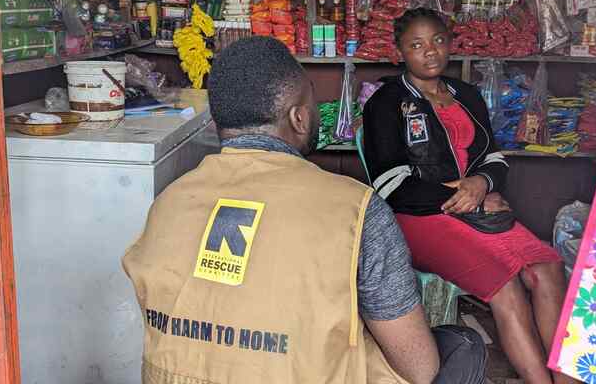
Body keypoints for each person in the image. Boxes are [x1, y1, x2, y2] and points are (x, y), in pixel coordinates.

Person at [123, 36, 486, 384]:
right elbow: (419, 368)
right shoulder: (355, 210)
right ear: (299, 118)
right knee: (463, 348)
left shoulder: (169, 201)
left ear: (219, 123)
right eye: (312, 101)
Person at [362, 8, 576, 384]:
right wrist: (469, 193)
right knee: (505, 286)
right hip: (420, 218)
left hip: (477, 210)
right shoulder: (386, 103)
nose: (430, 52)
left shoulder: (468, 95)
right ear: (400, 52)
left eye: (438, 41)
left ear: (450, 44)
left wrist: (483, 184)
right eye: (416, 45)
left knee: (548, 267)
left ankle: (568, 379)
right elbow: (391, 186)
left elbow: (493, 159)